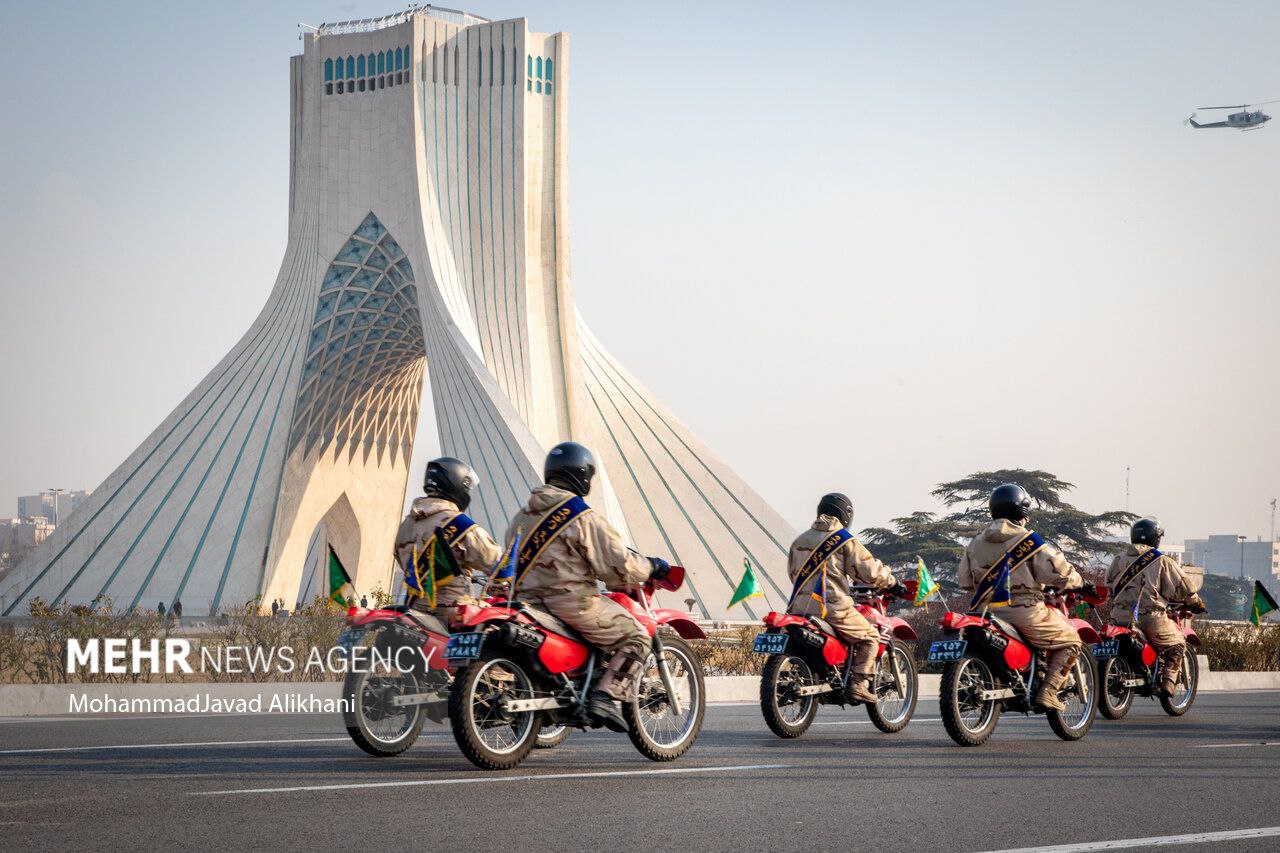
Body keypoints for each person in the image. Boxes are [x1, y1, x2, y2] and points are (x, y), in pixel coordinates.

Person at [506, 441, 661, 732]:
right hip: (572, 603)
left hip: (525, 604)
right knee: (638, 638)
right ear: (583, 475)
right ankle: (604, 696)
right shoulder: (580, 515)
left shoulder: (520, 517)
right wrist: (652, 566)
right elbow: (618, 565)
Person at [957, 483, 1085, 712]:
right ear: (1021, 512)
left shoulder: (975, 543)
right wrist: (1080, 583)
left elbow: (965, 582)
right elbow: (1059, 572)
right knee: (1072, 640)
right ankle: (1049, 692)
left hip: (985, 612)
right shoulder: (1030, 541)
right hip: (1026, 611)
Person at [786, 492, 903, 703]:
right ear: (846, 515)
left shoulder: (799, 541)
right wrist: (892, 582)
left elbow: (793, 574)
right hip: (832, 609)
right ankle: (858, 685)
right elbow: (869, 571)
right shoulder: (844, 540)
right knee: (870, 636)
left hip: (799, 608)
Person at [393, 457, 502, 623]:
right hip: (452, 615)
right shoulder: (459, 524)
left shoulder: (406, 524)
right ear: (456, 485)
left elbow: (402, 561)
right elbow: (496, 561)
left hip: (414, 611)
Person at [1106, 518, 1206, 697]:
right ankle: (1168, 682)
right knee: (1177, 643)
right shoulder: (1161, 560)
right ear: (1155, 539)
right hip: (1149, 618)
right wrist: (1196, 603)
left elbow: (1108, 585)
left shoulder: (1118, 559)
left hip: (1118, 616)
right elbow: (1183, 586)